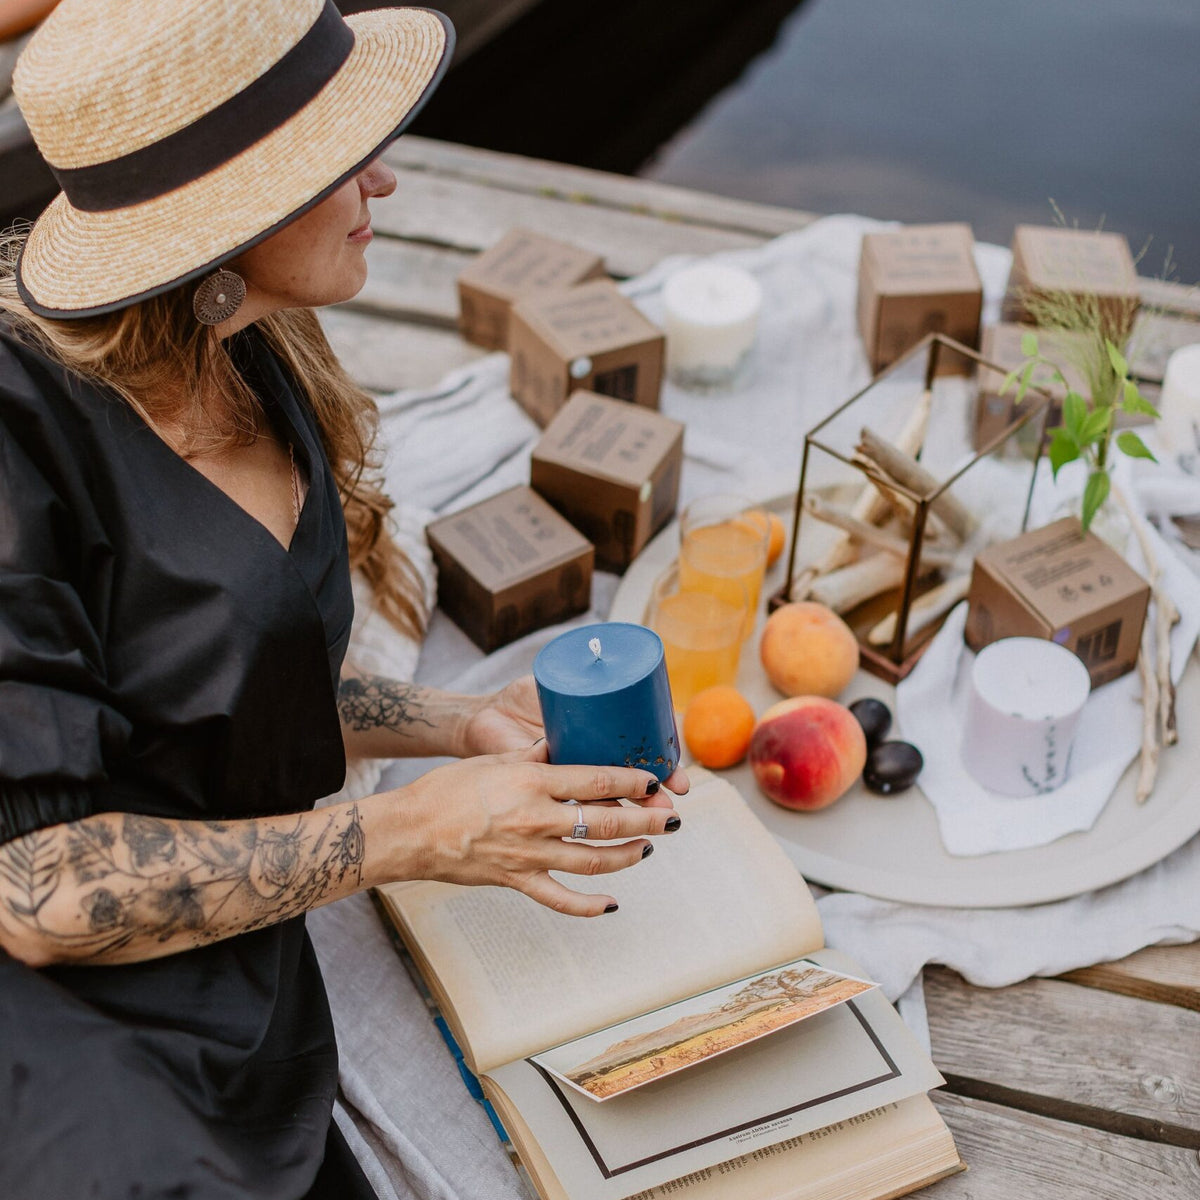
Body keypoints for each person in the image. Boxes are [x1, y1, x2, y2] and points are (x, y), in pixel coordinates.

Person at [0, 3, 688, 1197]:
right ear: (224, 214)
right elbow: (40, 896)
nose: (387, 178)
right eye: (337, 155)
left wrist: (451, 722)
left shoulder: (250, 341)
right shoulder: (18, 441)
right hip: (61, 1010)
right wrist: (416, 832)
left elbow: (215, 674)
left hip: (233, 939)